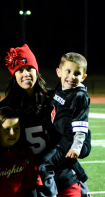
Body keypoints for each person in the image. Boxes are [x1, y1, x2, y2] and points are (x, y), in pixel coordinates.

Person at [0, 44, 91, 197]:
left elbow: (77, 128)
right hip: (30, 178)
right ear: (13, 75)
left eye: (29, 68)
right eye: (20, 70)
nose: (26, 74)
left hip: (63, 173)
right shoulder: (7, 108)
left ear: (37, 70)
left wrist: (82, 144)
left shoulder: (54, 98)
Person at [48, 52, 91, 196]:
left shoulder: (79, 96)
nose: (72, 77)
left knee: (50, 164)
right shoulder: (61, 88)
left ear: (83, 77)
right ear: (58, 72)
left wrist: (76, 147)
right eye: (68, 71)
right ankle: (83, 187)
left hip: (71, 138)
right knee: (69, 165)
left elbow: (81, 124)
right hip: (61, 135)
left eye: (77, 73)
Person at [0, 106, 43, 197]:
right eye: (7, 129)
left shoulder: (26, 153)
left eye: (16, 128)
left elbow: (32, 187)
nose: (12, 133)